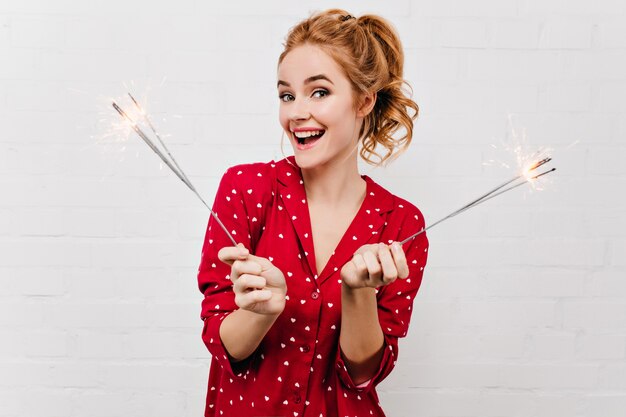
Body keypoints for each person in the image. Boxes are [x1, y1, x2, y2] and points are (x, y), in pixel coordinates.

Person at [197, 8, 429, 417]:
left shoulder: (401, 224)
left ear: (364, 101)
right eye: (286, 95)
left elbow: (363, 375)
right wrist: (260, 310)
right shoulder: (246, 190)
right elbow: (225, 347)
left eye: (318, 92)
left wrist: (357, 292)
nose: (295, 113)